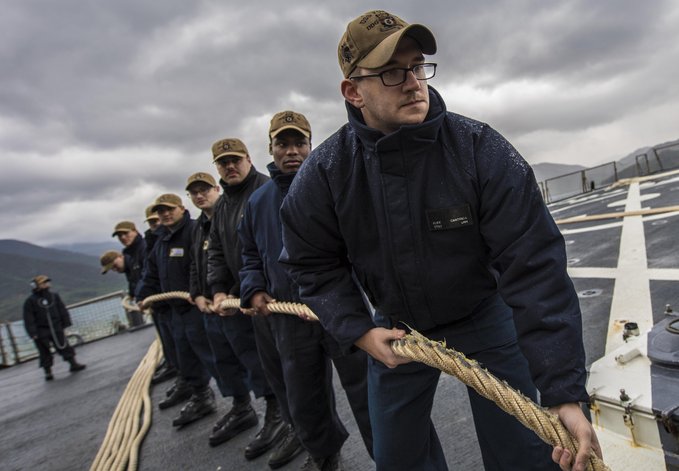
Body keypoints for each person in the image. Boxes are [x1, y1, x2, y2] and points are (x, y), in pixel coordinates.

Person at [279, 10, 601, 471]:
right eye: (392, 72)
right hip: (397, 326)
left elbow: (534, 268)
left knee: (524, 455)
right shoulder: (326, 174)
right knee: (397, 458)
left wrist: (565, 393)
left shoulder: (480, 150)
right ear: (353, 91)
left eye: (417, 67)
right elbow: (311, 264)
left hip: (484, 315)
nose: (413, 83)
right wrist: (360, 331)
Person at [239, 111, 373, 470]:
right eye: (283, 143)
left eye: (299, 142)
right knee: (303, 397)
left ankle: (388, 454)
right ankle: (324, 455)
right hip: (287, 316)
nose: (292, 150)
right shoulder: (257, 202)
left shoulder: (331, 184)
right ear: (271, 148)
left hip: (339, 305)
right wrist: (253, 290)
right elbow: (250, 254)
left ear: (310, 145)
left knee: (367, 388)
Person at [206, 139, 287, 462]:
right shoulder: (223, 205)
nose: (230, 167)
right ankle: (276, 414)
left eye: (235, 160)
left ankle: (288, 422)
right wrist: (218, 288)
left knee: (286, 371)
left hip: (271, 302)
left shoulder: (266, 192)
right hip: (243, 301)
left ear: (248, 159)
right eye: (223, 163)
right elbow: (216, 251)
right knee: (256, 363)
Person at [137, 194, 217, 427]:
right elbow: (151, 272)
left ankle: (239, 402)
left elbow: (200, 264)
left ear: (182, 208)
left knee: (213, 356)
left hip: (196, 306)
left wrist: (201, 291)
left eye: (169, 209)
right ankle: (200, 394)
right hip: (176, 311)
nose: (165, 214)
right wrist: (143, 295)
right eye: (160, 211)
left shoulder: (193, 230)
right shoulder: (161, 240)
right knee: (184, 354)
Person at [141, 204, 178, 385]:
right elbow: (151, 272)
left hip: (185, 303)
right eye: (153, 220)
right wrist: (143, 296)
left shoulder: (183, 234)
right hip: (164, 304)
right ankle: (186, 381)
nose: (156, 223)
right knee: (175, 345)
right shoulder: (157, 243)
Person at [23, 275, 86, 380]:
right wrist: (33, 333)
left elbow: (61, 309)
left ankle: (73, 363)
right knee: (44, 350)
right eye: (43, 283)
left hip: (56, 326)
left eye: (47, 282)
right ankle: (48, 371)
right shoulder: (30, 301)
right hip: (41, 330)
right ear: (36, 285)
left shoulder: (53, 296)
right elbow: (28, 318)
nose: (46, 284)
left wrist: (66, 323)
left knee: (64, 345)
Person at [111, 220, 146, 328]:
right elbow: (134, 278)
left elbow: (147, 275)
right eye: (120, 236)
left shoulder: (144, 248)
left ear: (135, 231)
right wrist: (133, 294)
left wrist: (142, 295)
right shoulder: (131, 254)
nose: (123, 237)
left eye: (126, 233)